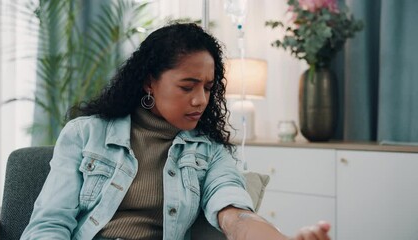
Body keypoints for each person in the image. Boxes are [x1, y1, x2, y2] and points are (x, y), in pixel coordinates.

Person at [21, 22, 331, 240]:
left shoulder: (209, 152)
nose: (201, 100)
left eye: (209, 88)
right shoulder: (84, 134)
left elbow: (235, 216)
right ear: (149, 82)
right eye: (187, 86)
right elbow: (50, 223)